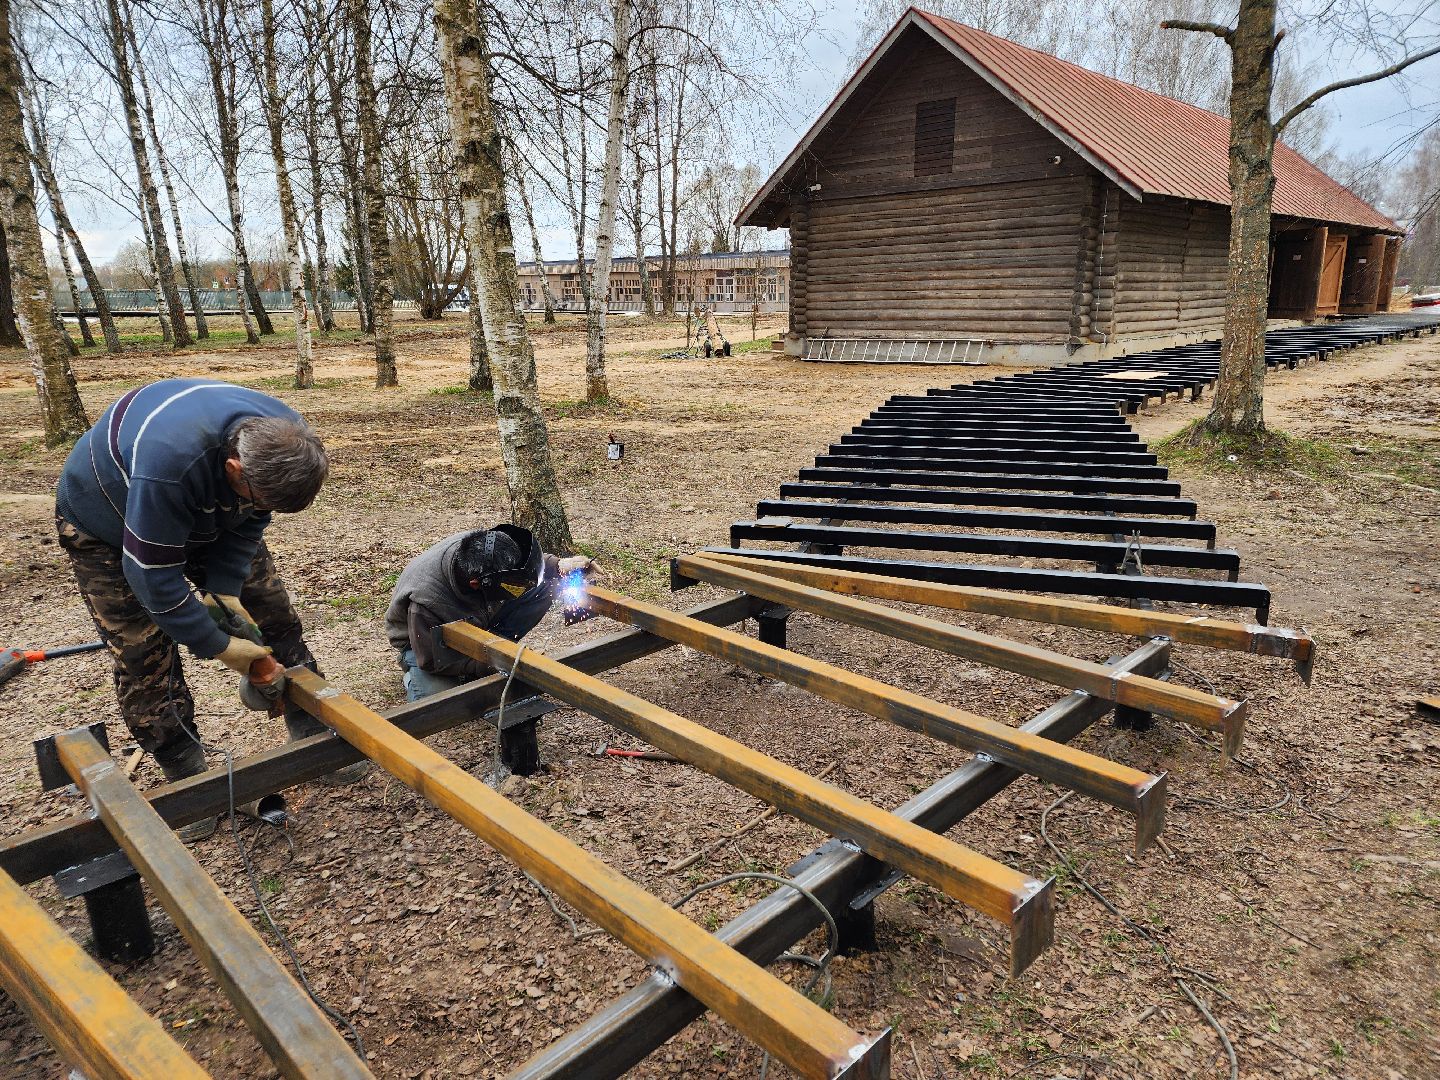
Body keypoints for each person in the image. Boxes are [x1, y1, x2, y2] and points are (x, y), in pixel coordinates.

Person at [54, 378, 359, 842]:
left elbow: (249, 522)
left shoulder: (285, 442)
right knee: (142, 652)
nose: (263, 508)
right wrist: (220, 644)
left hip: (208, 506)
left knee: (272, 613)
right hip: (108, 524)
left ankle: (312, 731)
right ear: (235, 469)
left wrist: (224, 592)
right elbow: (153, 578)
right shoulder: (169, 462)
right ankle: (186, 773)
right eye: (260, 498)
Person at [385, 525, 592, 701]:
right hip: (425, 642)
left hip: (475, 613)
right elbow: (430, 659)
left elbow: (518, 563)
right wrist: (492, 663)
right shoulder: (427, 601)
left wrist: (558, 565)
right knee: (438, 701)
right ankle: (413, 671)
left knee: (544, 587)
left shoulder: (483, 547)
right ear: (477, 583)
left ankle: (491, 649)